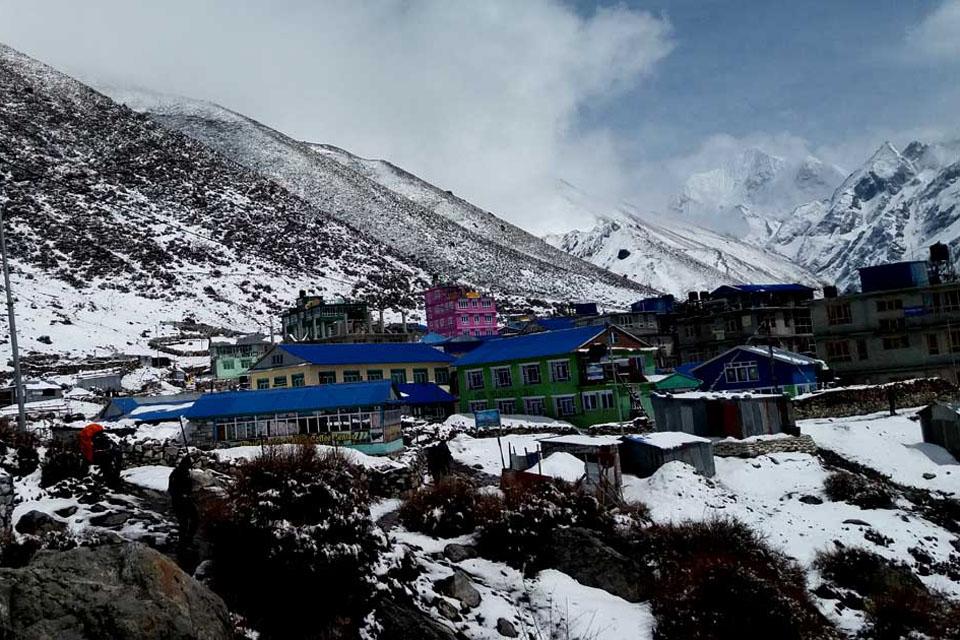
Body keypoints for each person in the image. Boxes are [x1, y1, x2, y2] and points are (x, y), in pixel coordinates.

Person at [78, 423, 123, 488]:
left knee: (108, 469)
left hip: (105, 456)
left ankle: (112, 483)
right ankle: (113, 483)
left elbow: (88, 449)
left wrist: (91, 457)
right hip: (108, 456)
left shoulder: (90, 437)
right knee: (109, 469)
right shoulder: (102, 438)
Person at [168, 454, 199, 547]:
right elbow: (172, 489)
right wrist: (181, 495)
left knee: (195, 518)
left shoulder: (186, 473)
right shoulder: (176, 473)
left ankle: (188, 539)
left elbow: (189, 486)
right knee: (184, 522)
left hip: (187, 500)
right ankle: (182, 543)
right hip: (178, 502)